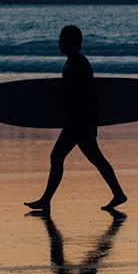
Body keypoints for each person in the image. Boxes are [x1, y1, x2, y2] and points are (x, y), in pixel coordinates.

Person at [25, 25, 127, 211]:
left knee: (59, 156)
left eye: (61, 38)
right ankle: (118, 194)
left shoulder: (79, 63)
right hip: (78, 121)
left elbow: (88, 95)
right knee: (94, 159)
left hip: (79, 122)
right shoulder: (73, 61)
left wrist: (89, 124)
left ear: (70, 42)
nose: (58, 41)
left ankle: (46, 200)